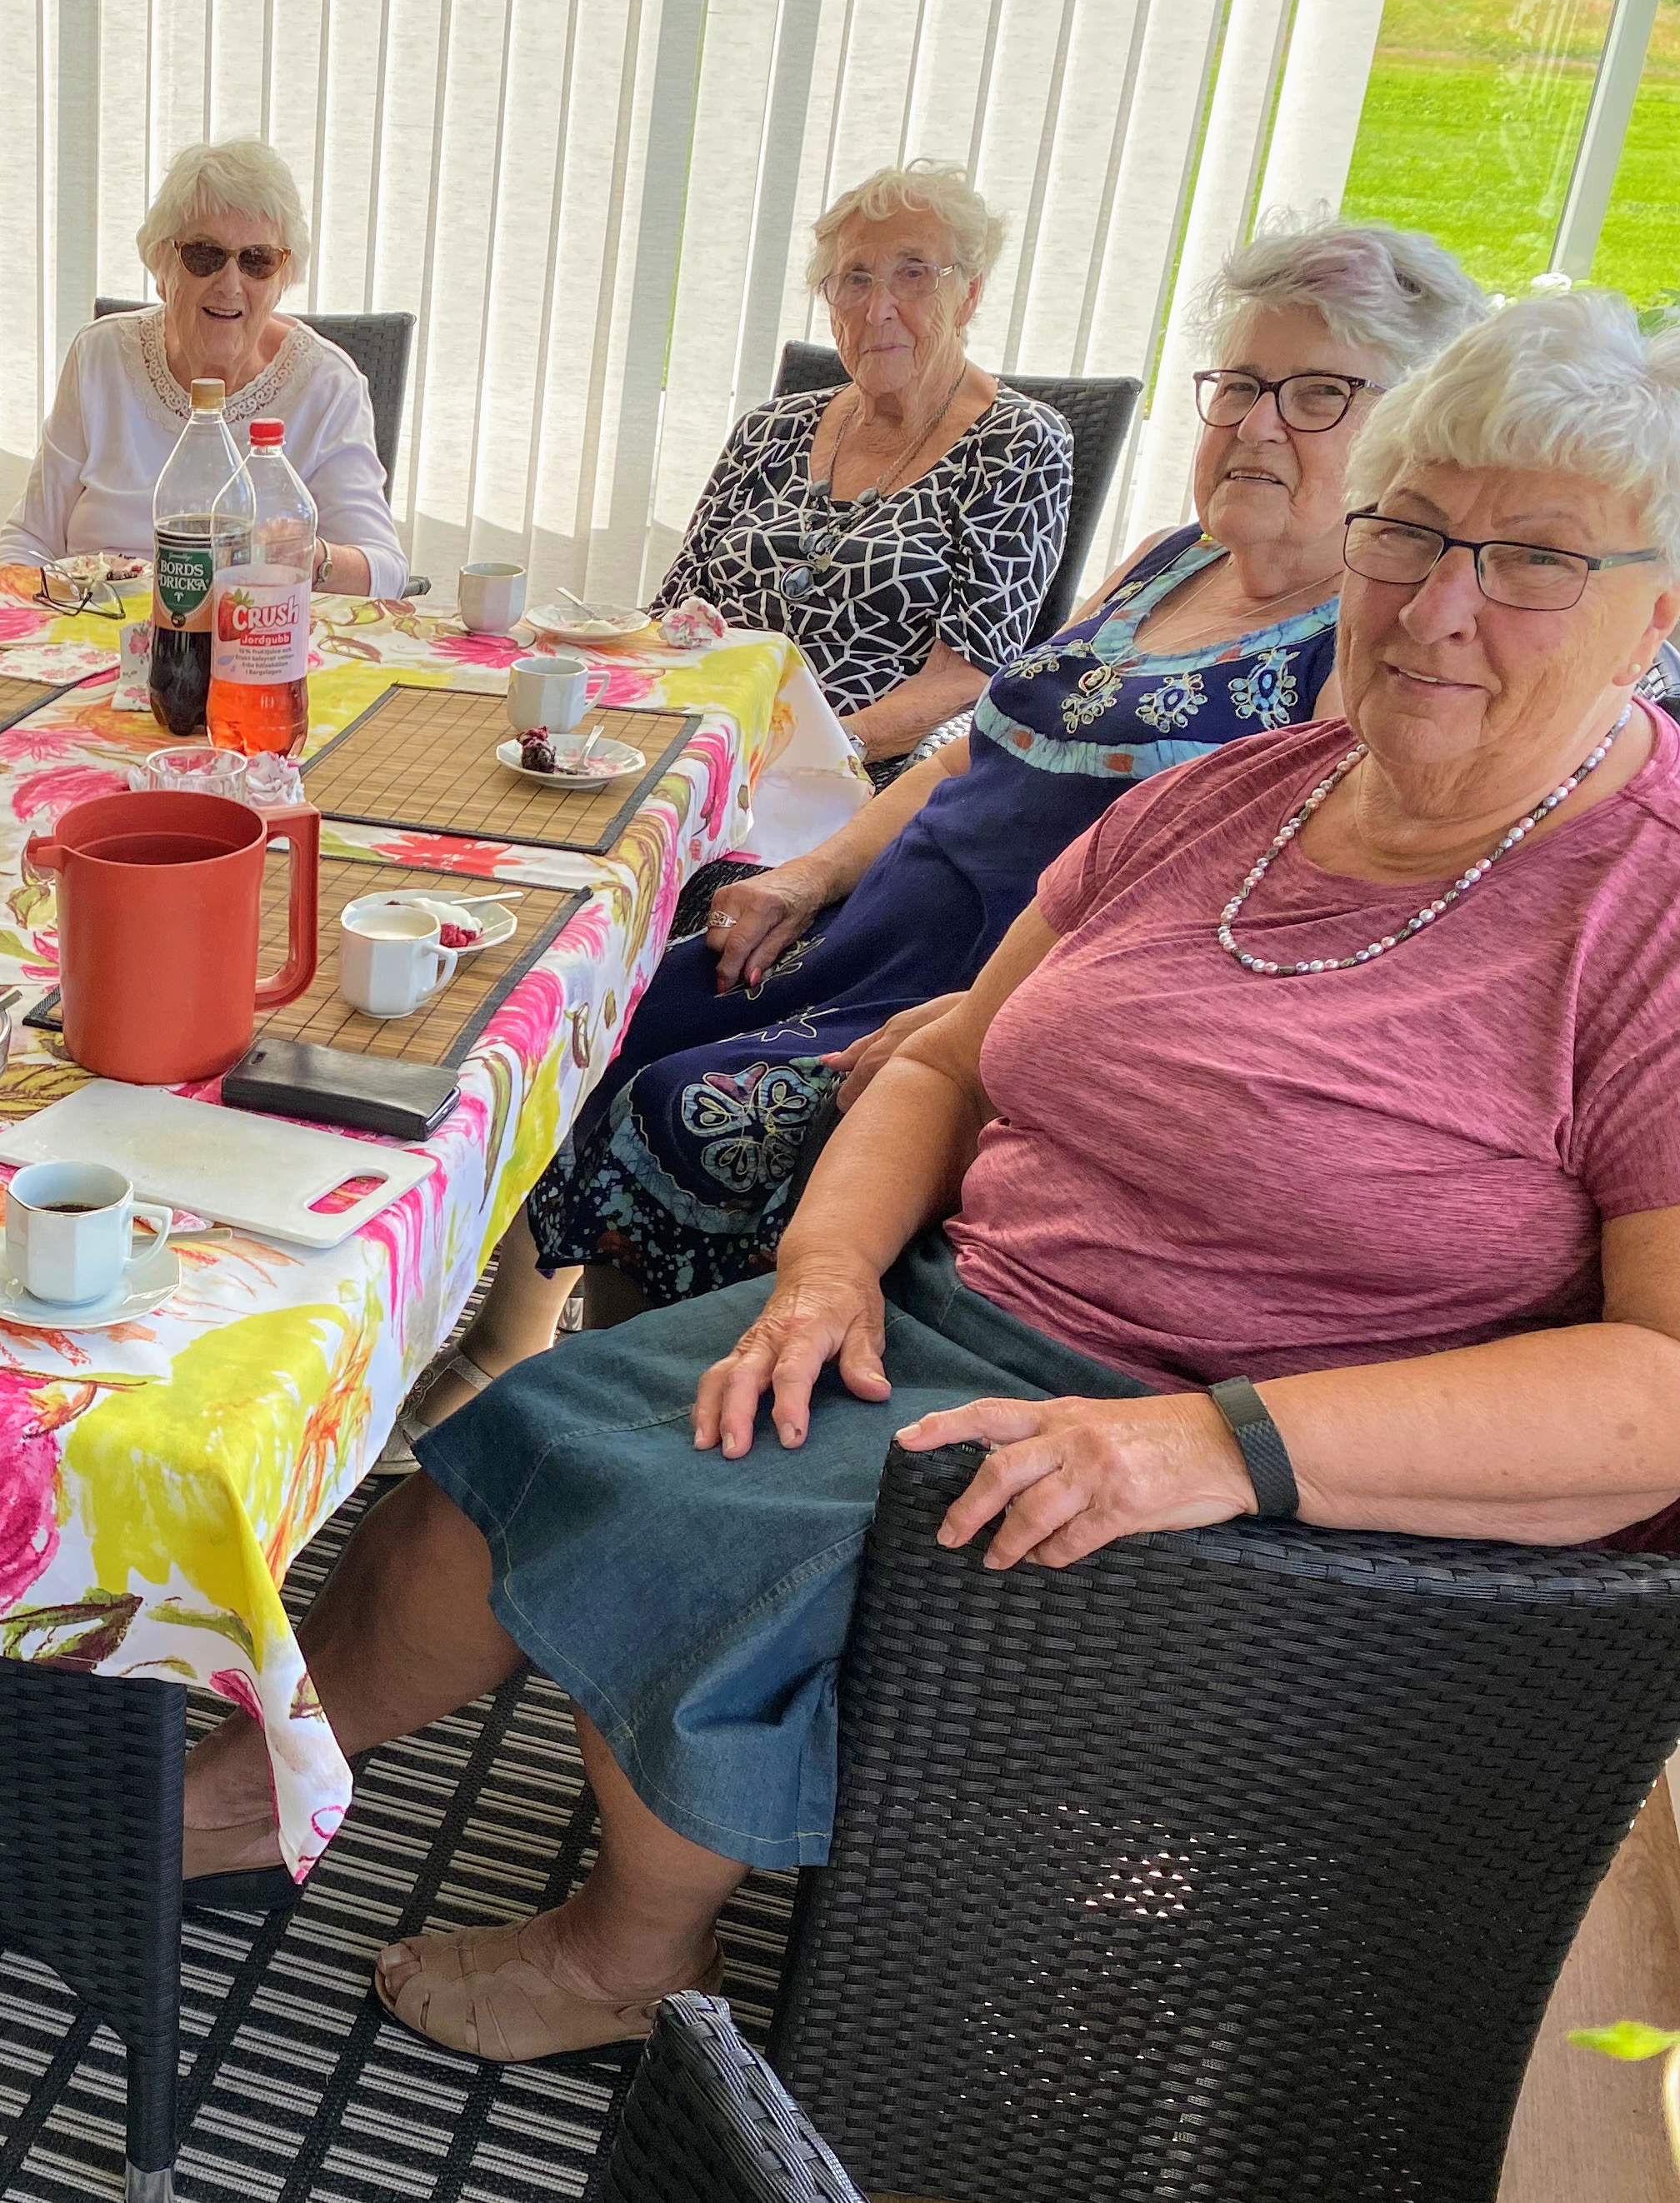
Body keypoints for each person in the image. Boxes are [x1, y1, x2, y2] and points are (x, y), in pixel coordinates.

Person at [182, 286, 1680, 2062]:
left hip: (1246, 1457)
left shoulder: (1640, 908)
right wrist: (823, 1274)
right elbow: (958, 1056)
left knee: (685, 1521)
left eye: (1533, 563)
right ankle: (249, 1785)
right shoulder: (1240, 794)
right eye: (1413, 532)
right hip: (957, 1316)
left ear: (1655, 608)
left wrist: (1210, 1442)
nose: (1440, 607)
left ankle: (631, 1951)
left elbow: (1658, 1390)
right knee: (526, 1441)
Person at [402, 223, 1487, 1439]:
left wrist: (984, 1023)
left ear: (1412, 430)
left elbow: (1243, 941)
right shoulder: (1170, 558)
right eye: (1236, 385)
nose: (1256, 425)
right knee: (616, 992)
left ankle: (633, 1415)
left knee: (694, 1102)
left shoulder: (1361, 643)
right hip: (878, 919)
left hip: (992, 990)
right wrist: (810, 872)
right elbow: (987, 737)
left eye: (1319, 394)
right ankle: (513, 1354)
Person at [658, 161, 1072, 771]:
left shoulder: (1018, 442)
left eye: (913, 275)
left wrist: (805, 753)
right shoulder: (769, 429)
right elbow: (673, 611)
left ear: (970, 295)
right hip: (695, 748)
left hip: (850, 773)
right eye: (854, 279)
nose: (878, 308)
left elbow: (964, 680)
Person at [0, 138, 408, 597]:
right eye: (204, 255)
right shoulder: (100, 357)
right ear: (161, 265)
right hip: (94, 636)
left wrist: (307, 559)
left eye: (258, 260)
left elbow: (387, 572)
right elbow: (29, 540)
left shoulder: (327, 387)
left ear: (282, 279)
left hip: (256, 647)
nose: (230, 284)